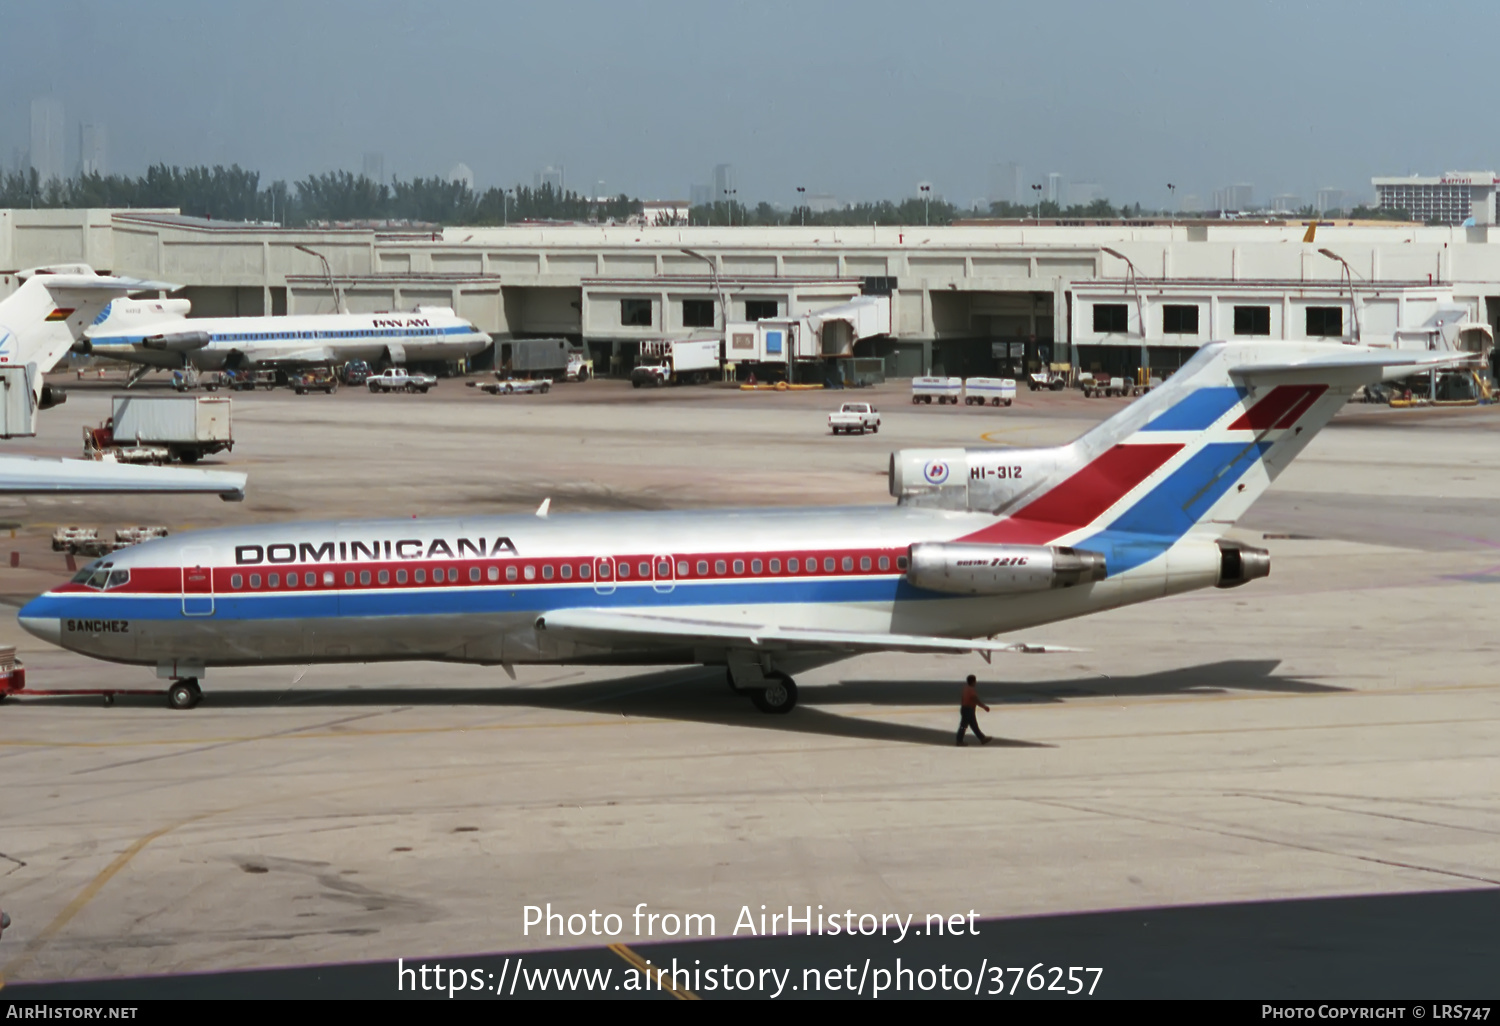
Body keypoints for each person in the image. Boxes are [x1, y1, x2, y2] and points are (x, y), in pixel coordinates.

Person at [957, 674, 991, 746]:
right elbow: (975, 700)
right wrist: (984, 707)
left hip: (965, 708)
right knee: (963, 725)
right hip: (968, 709)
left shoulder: (965, 688)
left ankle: (982, 738)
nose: (976, 682)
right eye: (975, 681)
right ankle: (959, 741)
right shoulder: (971, 690)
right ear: (972, 682)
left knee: (973, 725)